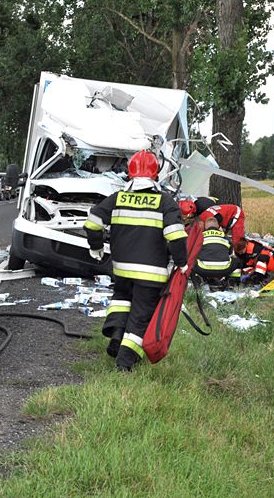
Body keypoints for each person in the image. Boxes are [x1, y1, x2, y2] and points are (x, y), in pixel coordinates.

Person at [83, 150, 188, 371]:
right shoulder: (165, 202)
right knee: (141, 317)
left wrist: (96, 246)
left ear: (130, 173)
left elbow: (92, 222)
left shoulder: (117, 198)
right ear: (155, 174)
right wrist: (182, 262)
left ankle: (116, 338)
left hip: (121, 270)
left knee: (122, 301)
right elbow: (176, 236)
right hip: (151, 275)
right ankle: (124, 362)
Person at [193, 217, 237, 288]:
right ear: (217, 226)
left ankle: (198, 280)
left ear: (205, 226)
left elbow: (193, 253)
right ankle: (231, 281)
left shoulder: (200, 237)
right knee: (236, 260)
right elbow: (231, 254)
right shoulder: (225, 237)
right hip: (224, 270)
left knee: (191, 260)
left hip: (203, 269)